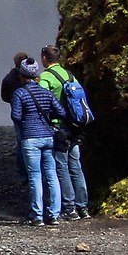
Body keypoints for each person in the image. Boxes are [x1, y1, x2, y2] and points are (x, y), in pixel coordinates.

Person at [8, 58, 65, 224]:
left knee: (35, 176)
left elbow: (16, 116)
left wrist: (27, 122)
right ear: (36, 76)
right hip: (48, 137)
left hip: (30, 138)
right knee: (52, 175)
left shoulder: (19, 93)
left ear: (22, 76)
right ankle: (54, 214)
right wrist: (48, 119)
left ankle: (37, 215)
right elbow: (60, 112)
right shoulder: (46, 93)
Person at [38, 45, 90, 219]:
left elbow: (42, 99)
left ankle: (69, 208)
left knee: (62, 166)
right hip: (74, 126)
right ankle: (83, 207)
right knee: (76, 166)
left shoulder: (46, 76)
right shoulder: (70, 75)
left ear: (45, 58)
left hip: (59, 126)